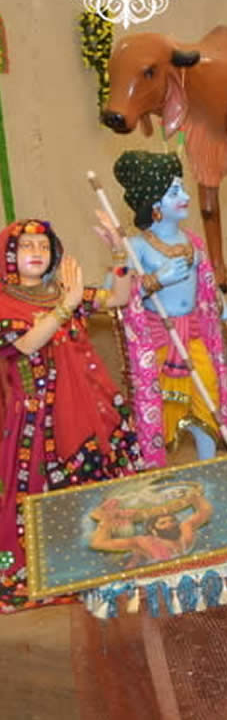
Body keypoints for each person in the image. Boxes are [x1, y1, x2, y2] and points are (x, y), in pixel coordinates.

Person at [0, 216, 144, 610]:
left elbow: (118, 298)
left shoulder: (63, 292)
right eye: (26, 246)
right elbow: (28, 344)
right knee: (38, 493)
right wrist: (68, 303)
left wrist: (119, 251)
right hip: (34, 422)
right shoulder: (5, 302)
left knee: (97, 483)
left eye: (43, 246)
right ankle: (50, 567)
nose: (36, 252)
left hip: (88, 413)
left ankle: (99, 557)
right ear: (9, 255)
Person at [113, 150, 227, 466]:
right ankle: (163, 474)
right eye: (175, 192)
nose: (186, 197)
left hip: (193, 339)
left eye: (182, 189)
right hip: (160, 343)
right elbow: (113, 294)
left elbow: (210, 294)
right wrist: (155, 280)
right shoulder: (137, 248)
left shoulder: (194, 243)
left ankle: (208, 468)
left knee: (208, 404)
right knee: (162, 413)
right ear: (154, 204)